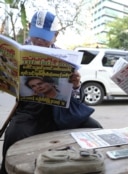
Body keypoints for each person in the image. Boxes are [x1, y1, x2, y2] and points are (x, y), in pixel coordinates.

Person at [0, 10, 102, 174]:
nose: (39, 40)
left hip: (60, 112)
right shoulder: (17, 53)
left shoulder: (65, 57)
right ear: (29, 28)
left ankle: (95, 165)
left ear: (56, 35)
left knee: (94, 127)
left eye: (45, 37)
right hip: (30, 112)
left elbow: (75, 98)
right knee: (14, 134)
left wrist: (75, 85)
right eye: (36, 35)